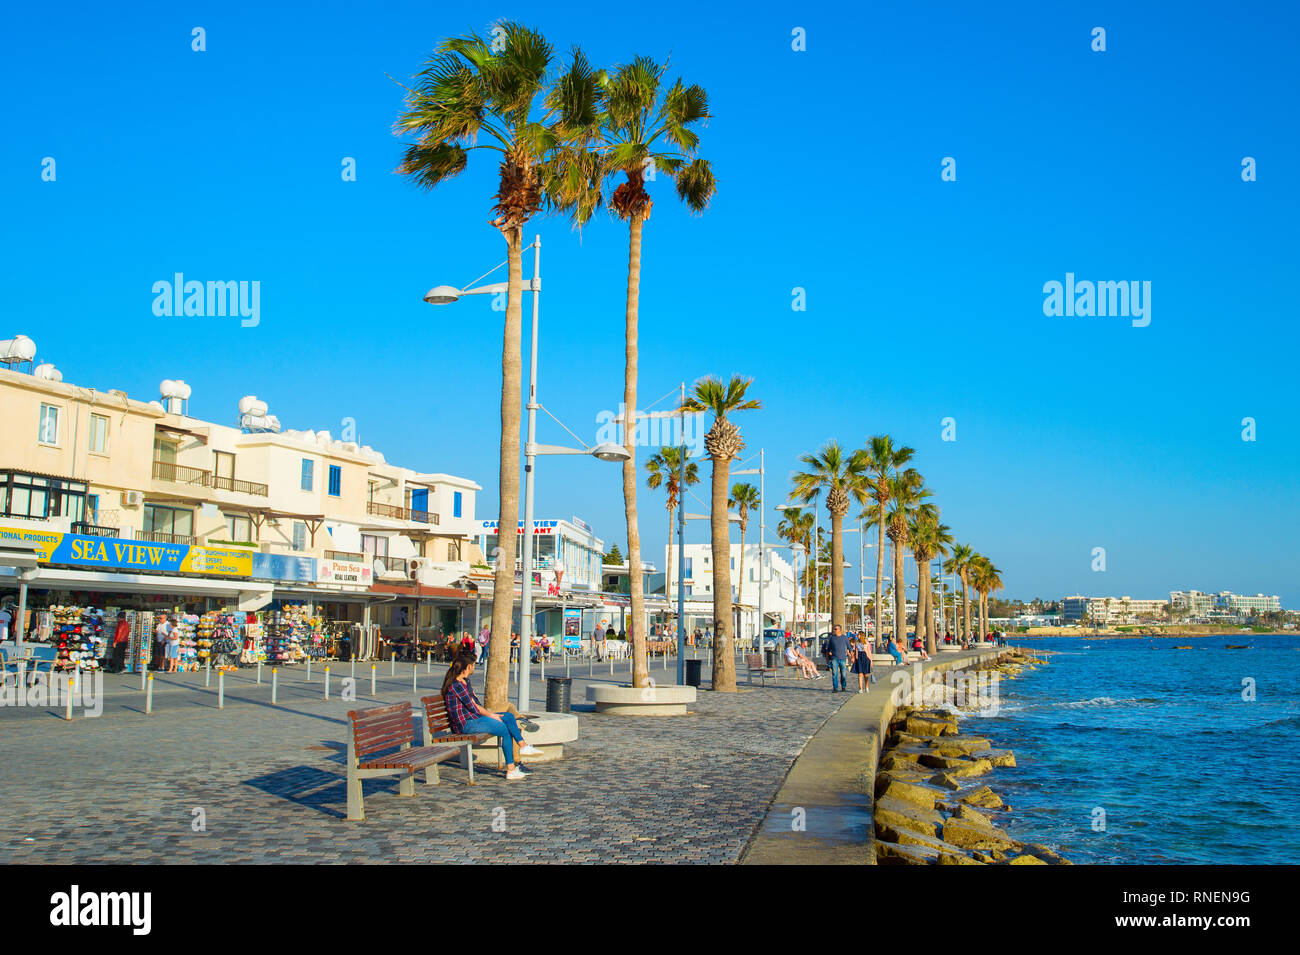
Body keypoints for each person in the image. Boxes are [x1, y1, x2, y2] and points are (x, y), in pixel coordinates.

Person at [441, 652, 540, 780]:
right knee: (504, 729)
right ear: (469, 667)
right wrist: (492, 716)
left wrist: (489, 714)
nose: (474, 667)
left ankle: (523, 746)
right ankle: (510, 769)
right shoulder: (456, 686)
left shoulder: (465, 682)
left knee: (509, 717)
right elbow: (474, 707)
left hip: (473, 718)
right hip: (466, 724)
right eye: (473, 665)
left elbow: (474, 703)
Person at [824, 624, 851, 692]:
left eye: (836, 629)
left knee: (843, 674)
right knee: (834, 674)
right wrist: (827, 658)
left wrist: (852, 656)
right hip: (834, 659)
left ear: (840, 630)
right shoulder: (832, 638)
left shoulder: (844, 638)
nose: (834, 630)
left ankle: (843, 686)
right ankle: (835, 688)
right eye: (834, 629)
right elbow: (828, 649)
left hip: (842, 658)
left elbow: (849, 647)